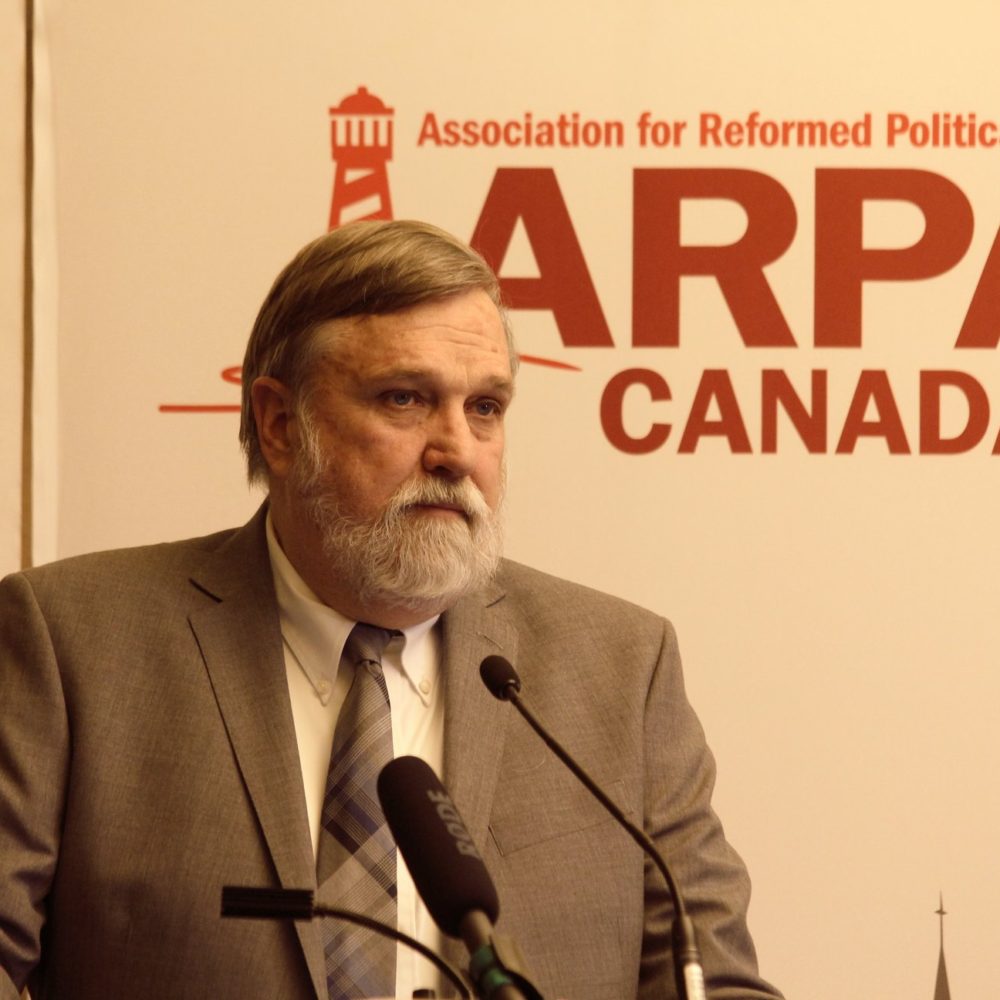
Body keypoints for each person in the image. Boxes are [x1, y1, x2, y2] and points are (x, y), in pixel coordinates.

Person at [0, 220, 782, 1000]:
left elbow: (715, 984)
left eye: (485, 407)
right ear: (280, 424)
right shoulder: (71, 643)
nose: (457, 450)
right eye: (405, 399)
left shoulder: (621, 667)